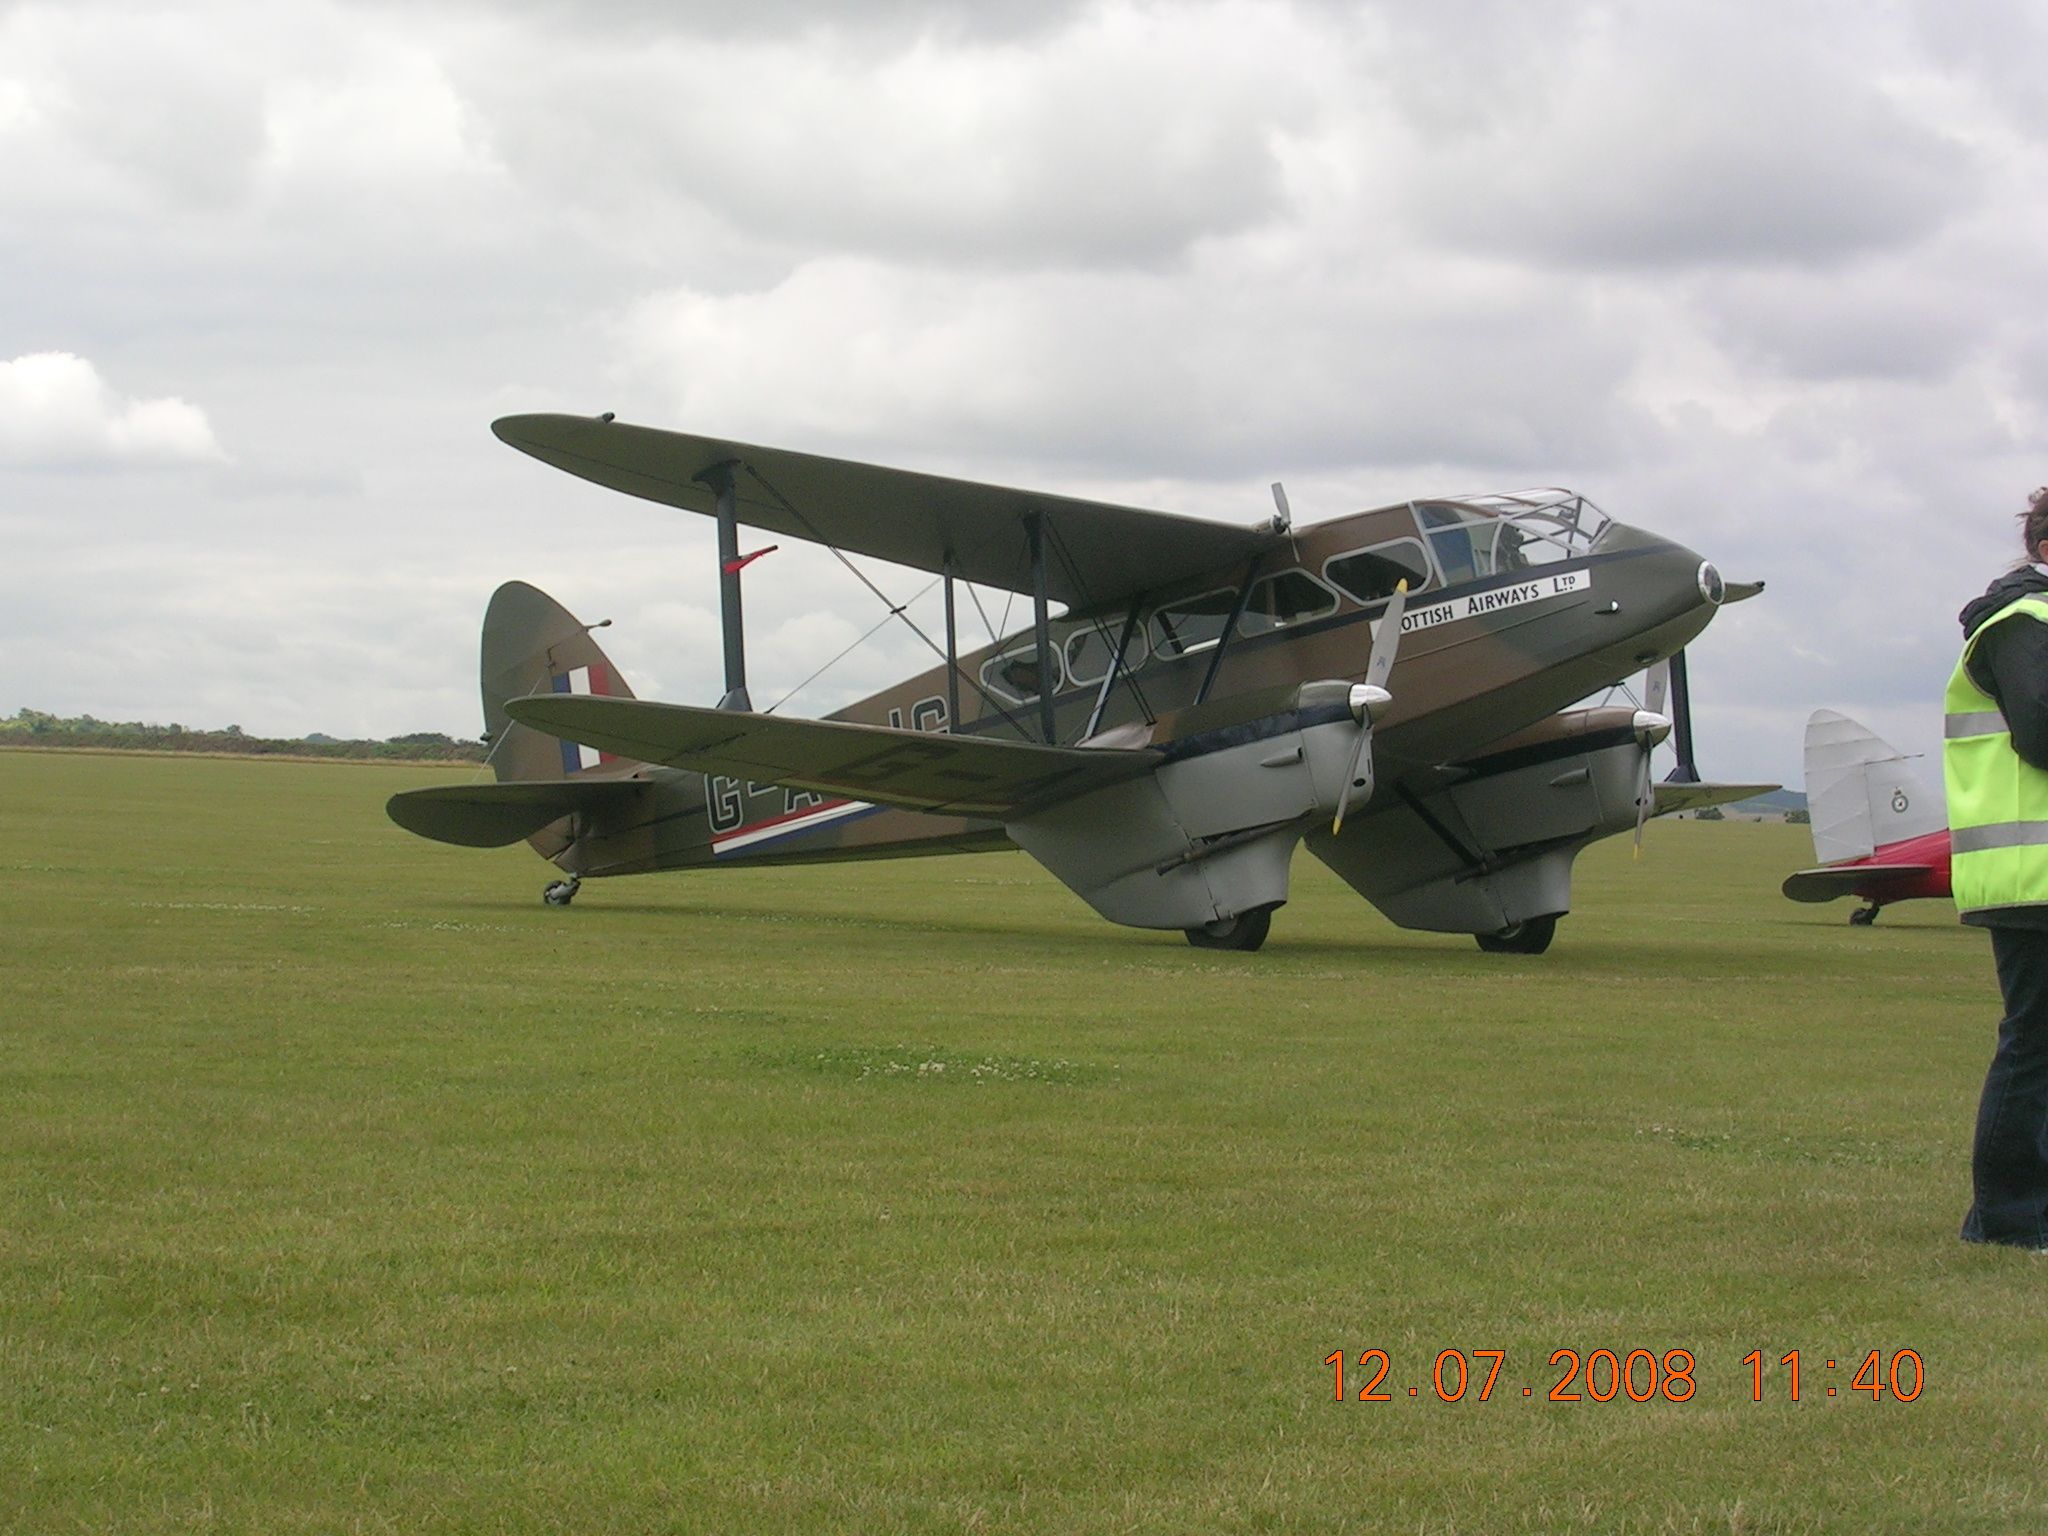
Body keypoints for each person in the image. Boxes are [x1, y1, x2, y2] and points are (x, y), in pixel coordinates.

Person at [1945, 487, 2048, 1248]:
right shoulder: (2021, 623)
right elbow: (2042, 732)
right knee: (2035, 1040)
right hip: (2032, 873)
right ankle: (2009, 1220)